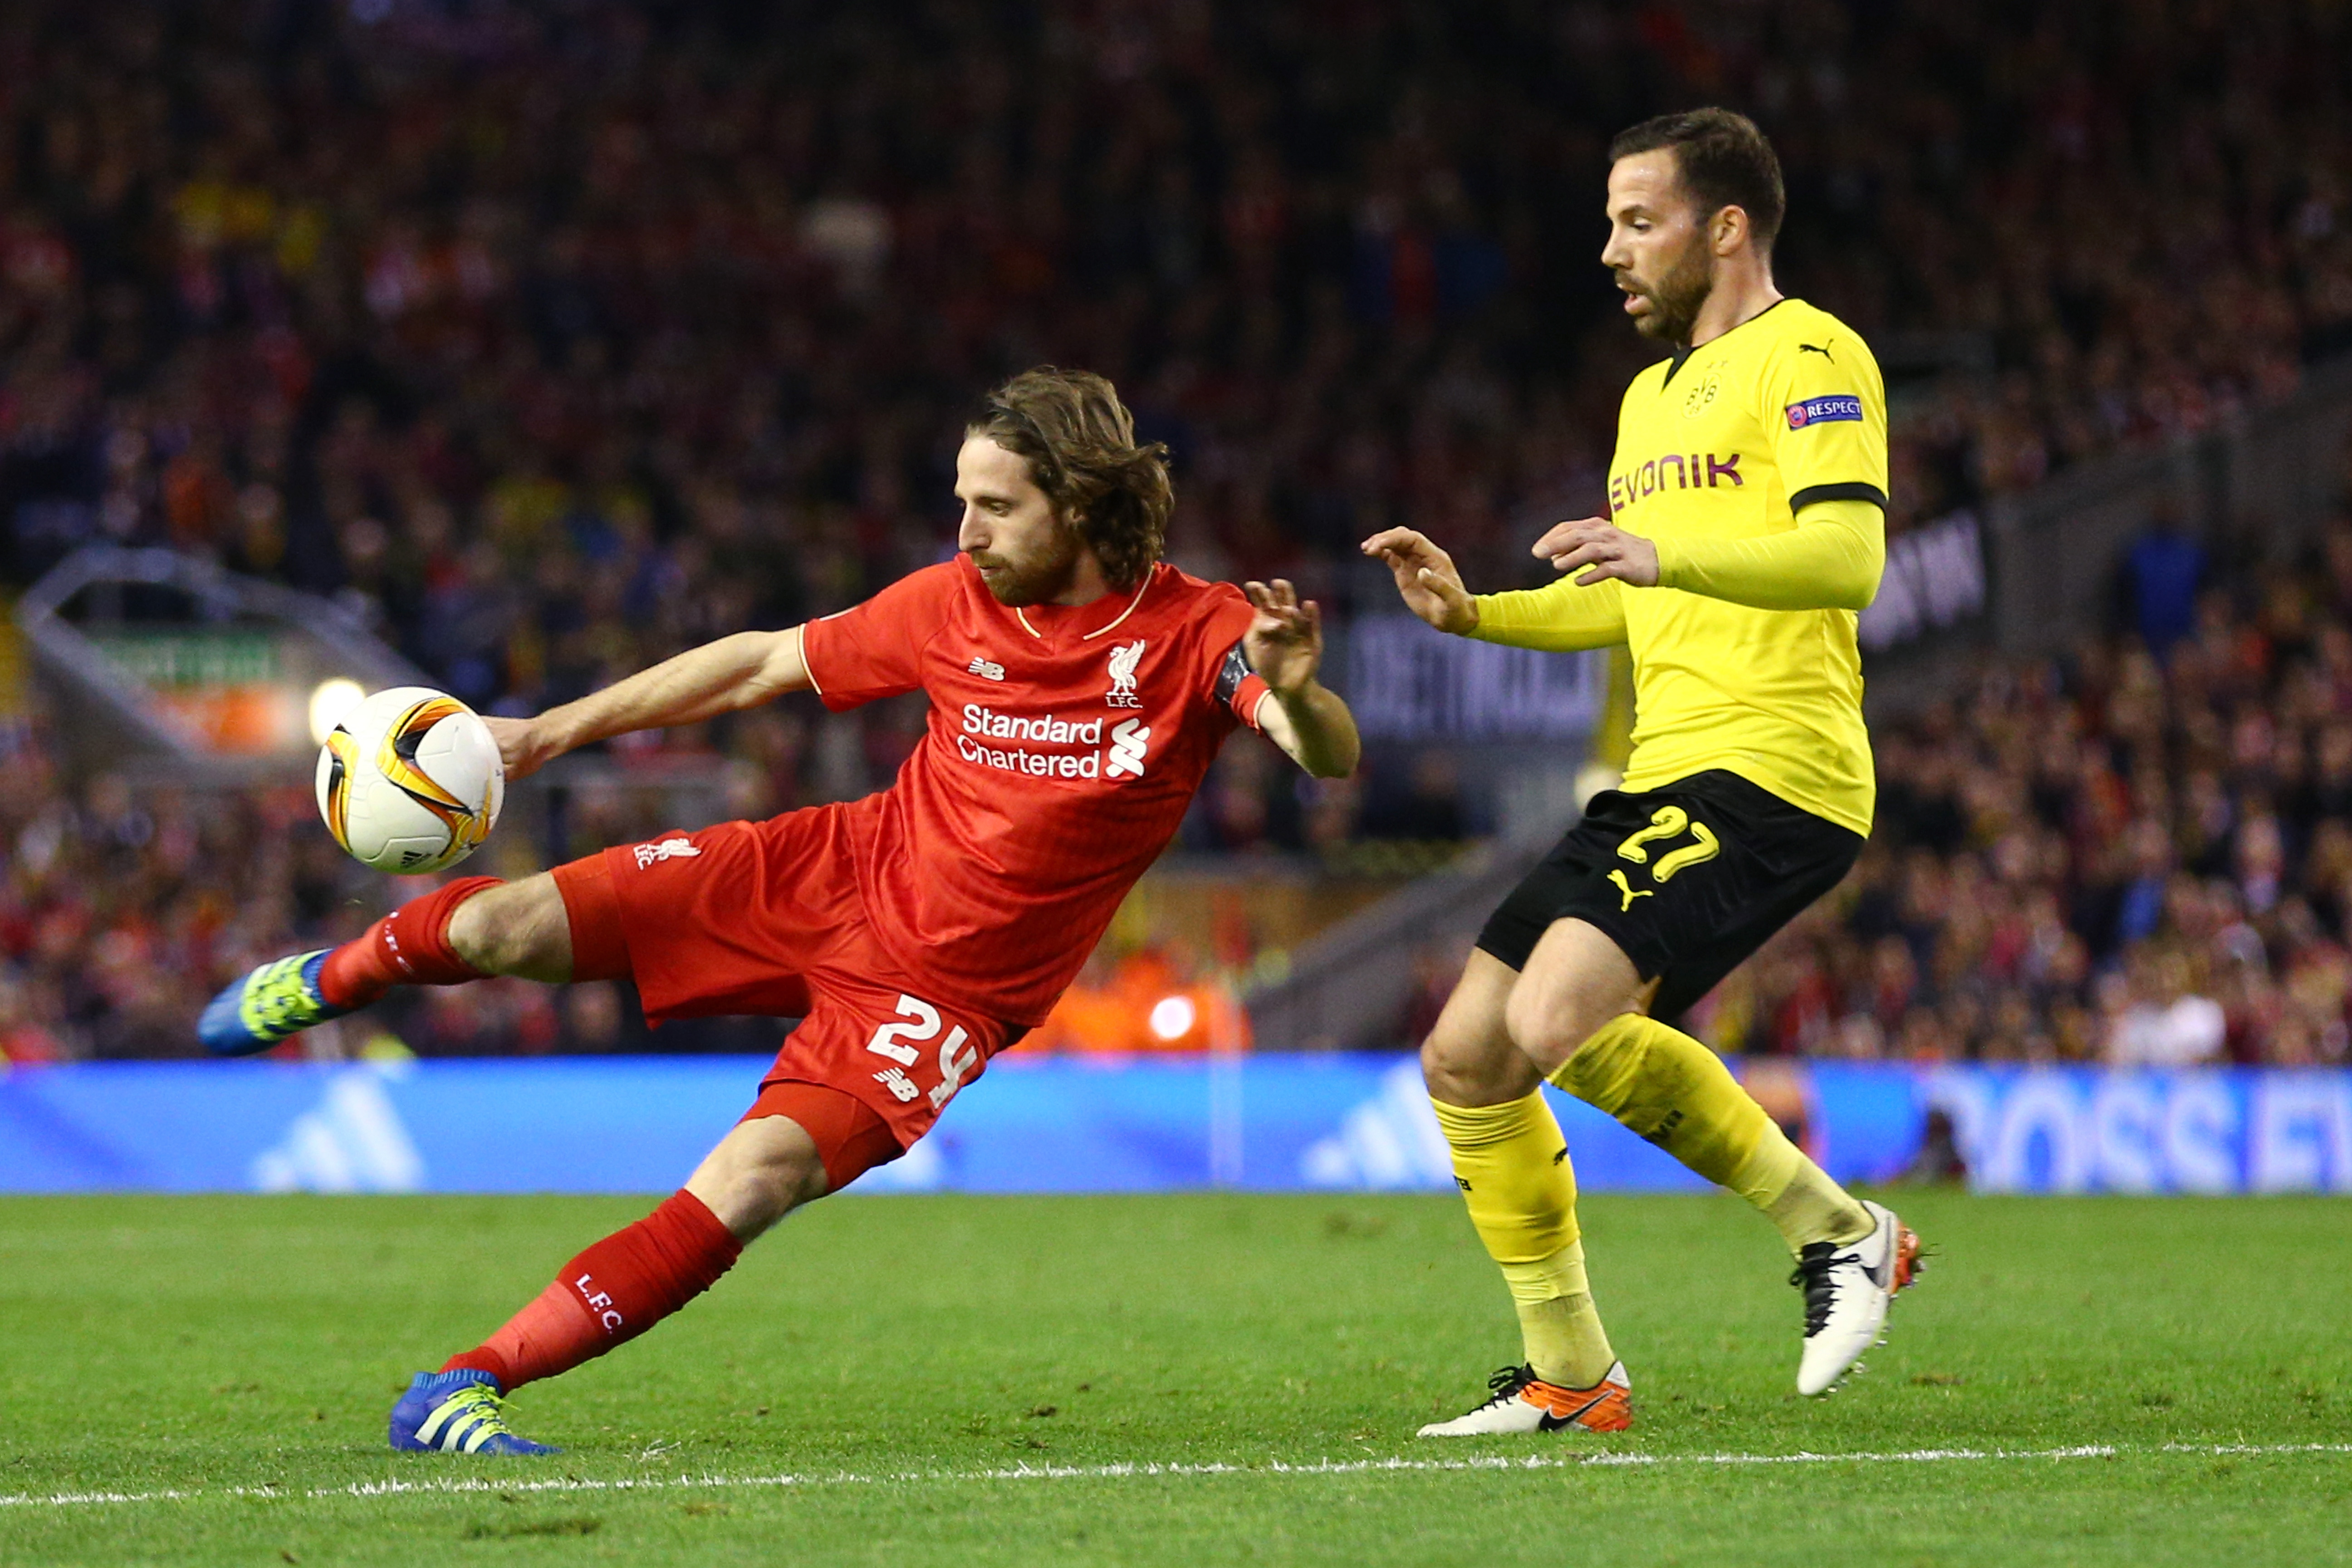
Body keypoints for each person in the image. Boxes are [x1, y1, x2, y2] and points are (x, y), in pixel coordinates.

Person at [198, 367, 1360, 1455]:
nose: (966, 533)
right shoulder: (951, 603)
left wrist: (1300, 696)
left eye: (996, 508)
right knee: (502, 930)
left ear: (1083, 505)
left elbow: (1327, 757)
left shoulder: (1198, 634)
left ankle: (463, 1386)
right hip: (830, 870)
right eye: (962, 502)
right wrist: (548, 732)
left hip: (940, 993)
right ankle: (335, 977)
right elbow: (762, 663)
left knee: (754, 1181)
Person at [1362, 108, 1920, 1438]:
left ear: (1726, 227)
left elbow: (1848, 561)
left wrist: (1667, 556)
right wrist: (1477, 614)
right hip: (1664, 775)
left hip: (1777, 769)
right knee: (1468, 1056)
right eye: (1611, 221)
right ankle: (1573, 1376)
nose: (1611, 250)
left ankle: (1841, 1231)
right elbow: (1630, 601)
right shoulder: (1650, 397)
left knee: (1555, 1014)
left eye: (1638, 221)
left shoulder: (1813, 352)